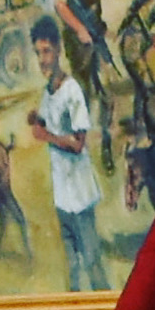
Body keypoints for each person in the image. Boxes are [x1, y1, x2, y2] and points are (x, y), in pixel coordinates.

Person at [27, 19, 107, 292]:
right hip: (62, 197)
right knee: (72, 268)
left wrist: (46, 136)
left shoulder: (72, 90)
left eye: (47, 51)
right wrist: (36, 119)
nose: (42, 59)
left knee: (92, 263)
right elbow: (47, 121)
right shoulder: (47, 91)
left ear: (59, 50)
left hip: (80, 196)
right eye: (38, 53)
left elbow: (77, 143)